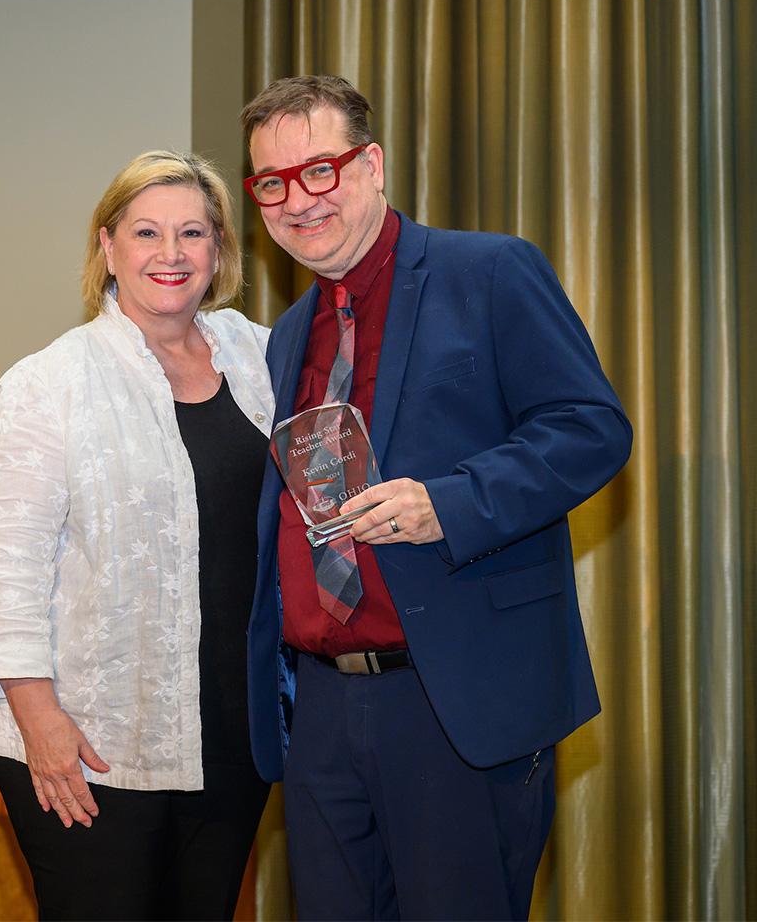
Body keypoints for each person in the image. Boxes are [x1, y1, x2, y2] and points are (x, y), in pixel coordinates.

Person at [241, 75, 633, 921]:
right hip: (320, 714)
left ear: (372, 164)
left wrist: (448, 503)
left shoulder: (488, 272)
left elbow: (592, 428)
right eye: (271, 183)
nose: (296, 200)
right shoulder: (285, 340)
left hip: (452, 702)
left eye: (319, 170)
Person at [0, 151, 273, 921]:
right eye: (146, 232)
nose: (170, 254)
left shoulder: (263, 357)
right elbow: (4, 566)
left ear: (219, 251)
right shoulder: (51, 382)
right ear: (108, 246)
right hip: (91, 742)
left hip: (233, 739)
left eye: (192, 233)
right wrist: (39, 721)